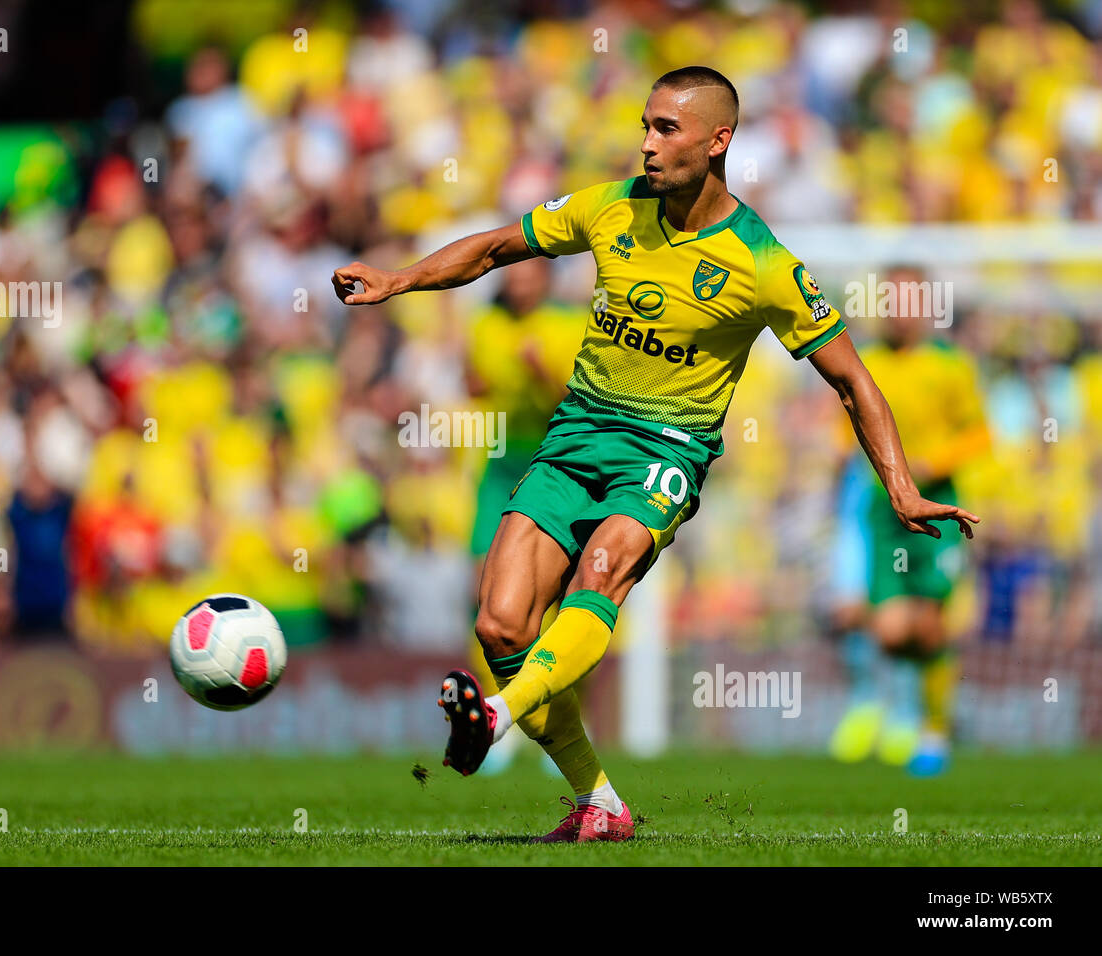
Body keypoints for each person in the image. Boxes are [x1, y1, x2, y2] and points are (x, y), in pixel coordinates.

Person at [332, 66, 978, 842]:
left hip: (666, 450)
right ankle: (599, 802)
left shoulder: (763, 262)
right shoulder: (610, 208)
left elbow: (853, 380)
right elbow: (498, 248)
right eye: (644, 125)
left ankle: (498, 715)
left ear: (718, 139)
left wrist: (902, 490)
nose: (646, 143)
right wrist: (397, 280)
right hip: (575, 437)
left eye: (666, 129)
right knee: (502, 626)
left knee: (601, 569)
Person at [829, 268, 990, 775]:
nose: (899, 310)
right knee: (893, 630)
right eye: (890, 300)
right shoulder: (866, 362)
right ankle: (894, 705)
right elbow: (846, 425)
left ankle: (932, 730)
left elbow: (980, 434)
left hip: (938, 506)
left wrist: (933, 462)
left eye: (908, 299)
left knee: (931, 621)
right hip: (883, 510)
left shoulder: (951, 366)